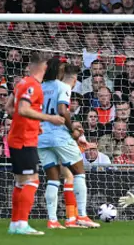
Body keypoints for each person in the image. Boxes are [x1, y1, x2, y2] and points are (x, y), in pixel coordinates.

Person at [6, 53, 65, 235]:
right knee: (32, 181)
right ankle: (22, 223)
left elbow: (9, 108)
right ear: (45, 66)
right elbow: (23, 109)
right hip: (24, 140)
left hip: (19, 137)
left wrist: (34, 124)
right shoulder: (33, 85)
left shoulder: (22, 83)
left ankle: (15, 223)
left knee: (20, 182)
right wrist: (49, 118)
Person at [38, 60, 99, 229]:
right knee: (79, 172)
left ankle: (52, 220)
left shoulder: (40, 87)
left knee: (53, 179)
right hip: (59, 136)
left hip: (42, 137)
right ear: (59, 71)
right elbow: (62, 110)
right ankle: (82, 216)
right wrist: (73, 130)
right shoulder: (62, 87)